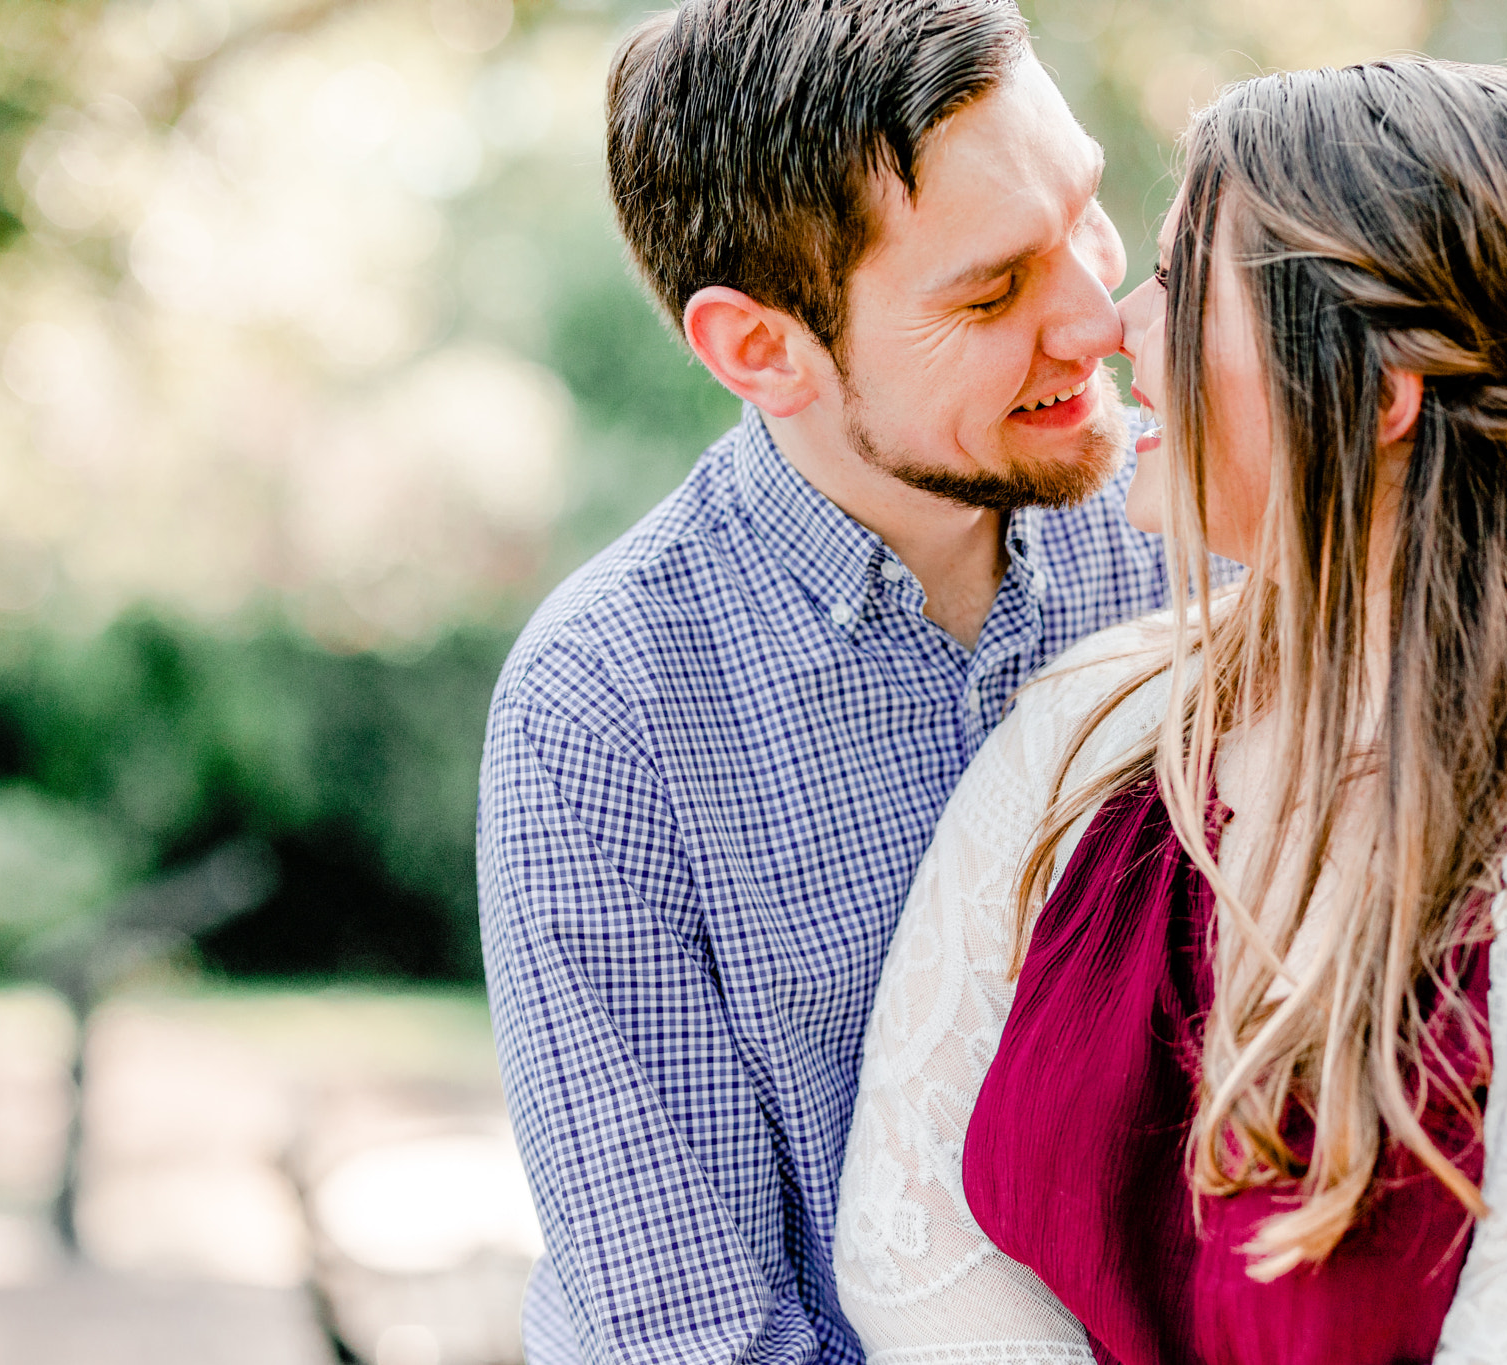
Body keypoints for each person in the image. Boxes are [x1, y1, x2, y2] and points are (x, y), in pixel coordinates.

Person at [835, 59, 1507, 1365]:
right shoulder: (1094, 727)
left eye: (1179, 282)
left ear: (1382, 383)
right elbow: (911, 1244)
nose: (1118, 326)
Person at [476, 1, 1178, 1359]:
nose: (1098, 316)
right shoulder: (605, 711)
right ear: (760, 348)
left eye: (1086, 214)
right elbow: (694, 1330)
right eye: (992, 290)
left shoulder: (1199, 530)